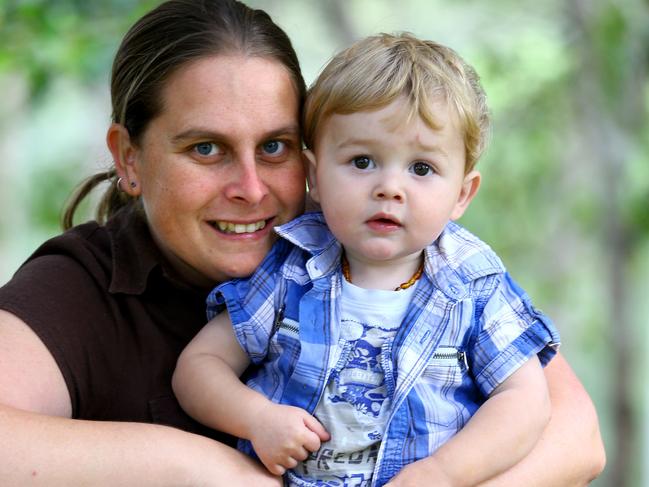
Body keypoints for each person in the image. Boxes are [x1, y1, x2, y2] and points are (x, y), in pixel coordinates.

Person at [0, 0, 604, 486]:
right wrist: (203, 470)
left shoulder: (369, 240)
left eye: (274, 147)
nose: (250, 188)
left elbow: (576, 436)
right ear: (129, 159)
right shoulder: (80, 287)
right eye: (205, 148)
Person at [172, 33, 563, 487]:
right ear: (314, 177)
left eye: (421, 168)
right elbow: (199, 367)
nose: (389, 188)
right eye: (362, 161)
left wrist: (445, 474)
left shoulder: (474, 284)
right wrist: (256, 418)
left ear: (461, 194)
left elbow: (525, 401)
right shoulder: (292, 270)